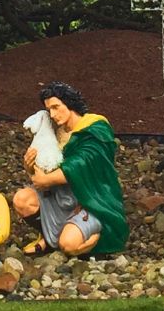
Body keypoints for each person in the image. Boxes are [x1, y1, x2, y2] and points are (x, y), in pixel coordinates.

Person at [12, 81, 128, 256]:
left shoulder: (95, 129)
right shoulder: (56, 133)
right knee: (22, 200)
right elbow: (47, 166)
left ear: (70, 103)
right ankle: (48, 237)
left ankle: (95, 242)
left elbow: (84, 161)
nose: (52, 114)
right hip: (59, 196)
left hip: (89, 199)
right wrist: (30, 167)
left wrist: (47, 179)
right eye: (49, 109)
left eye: (56, 107)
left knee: (68, 245)